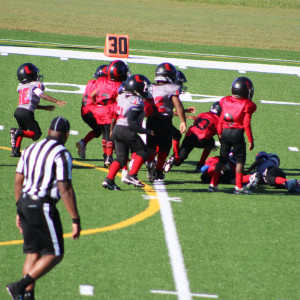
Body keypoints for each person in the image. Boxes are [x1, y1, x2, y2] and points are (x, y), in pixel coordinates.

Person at [6, 117, 81, 300]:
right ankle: (20, 286)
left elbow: (18, 181)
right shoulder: (61, 153)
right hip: (43, 205)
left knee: (33, 253)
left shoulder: (31, 148)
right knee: (55, 253)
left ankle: (27, 296)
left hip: (24, 202)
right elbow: (65, 188)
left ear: (48, 131)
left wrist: (18, 208)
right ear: (66, 134)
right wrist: (75, 219)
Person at [102, 74, 154, 190]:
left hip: (117, 129)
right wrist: (145, 131)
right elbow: (132, 121)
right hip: (127, 129)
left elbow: (115, 116)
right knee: (143, 152)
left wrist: (112, 130)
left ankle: (109, 180)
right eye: (144, 88)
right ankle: (132, 175)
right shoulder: (137, 101)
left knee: (120, 158)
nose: (146, 91)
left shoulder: (122, 97)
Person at [208, 77, 257, 194]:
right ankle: (239, 186)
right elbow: (246, 123)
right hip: (237, 133)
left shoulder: (225, 100)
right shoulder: (247, 104)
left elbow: (221, 117)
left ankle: (213, 184)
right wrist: (250, 139)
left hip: (225, 132)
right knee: (240, 160)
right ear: (247, 91)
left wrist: (219, 132)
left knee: (222, 159)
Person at [10, 63, 67, 157]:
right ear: (29, 76)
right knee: (36, 133)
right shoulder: (34, 86)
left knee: (23, 129)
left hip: (18, 111)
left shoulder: (22, 87)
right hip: (27, 113)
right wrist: (57, 101)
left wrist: (44, 107)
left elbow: (29, 103)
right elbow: (42, 95)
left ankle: (15, 150)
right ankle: (17, 132)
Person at [146, 62, 187, 182]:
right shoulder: (172, 88)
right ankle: (158, 171)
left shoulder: (150, 87)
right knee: (164, 146)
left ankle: (150, 162)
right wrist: (183, 121)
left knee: (151, 145)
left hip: (151, 120)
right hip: (165, 121)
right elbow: (178, 105)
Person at [92, 60, 130, 167]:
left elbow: (92, 95)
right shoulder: (119, 85)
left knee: (104, 135)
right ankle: (109, 157)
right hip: (109, 112)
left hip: (99, 111)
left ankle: (105, 156)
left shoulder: (101, 80)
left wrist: (97, 104)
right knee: (110, 136)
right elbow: (120, 100)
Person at [164, 101, 221, 173]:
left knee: (178, 161)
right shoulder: (219, 120)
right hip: (202, 139)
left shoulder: (202, 114)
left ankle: (173, 158)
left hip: (190, 135)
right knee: (211, 142)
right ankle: (200, 165)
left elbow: (197, 124)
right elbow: (220, 135)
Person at [76, 65, 107, 159]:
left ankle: (83, 142)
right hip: (92, 111)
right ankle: (108, 155)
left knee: (97, 131)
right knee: (107, 130)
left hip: (84, 112)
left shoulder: (90, 82)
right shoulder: (102, 85)